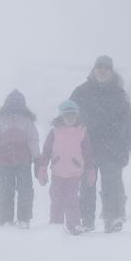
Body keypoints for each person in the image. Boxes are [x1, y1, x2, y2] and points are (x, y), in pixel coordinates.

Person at [71, 55, 131, 233]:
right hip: (86, 147)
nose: (102, 71)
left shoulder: (119, 94)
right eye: (99, 67)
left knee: (112, 183)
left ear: (111, 71)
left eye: (106, 68)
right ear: (94, 69)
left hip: (111, 148)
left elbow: (127, 124)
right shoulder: (81, 92)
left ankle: (113, 218)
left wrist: (124, 147)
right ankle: (86, 219)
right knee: (86, 184)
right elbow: (69, 116)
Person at [36, 100, 95, 235]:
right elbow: (46, 152)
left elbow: (88, 154)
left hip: (74, 174)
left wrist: (90, 171)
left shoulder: (82, 132)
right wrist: (42, 169)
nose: (70, 118)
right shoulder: (55, 132)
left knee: (72, 199)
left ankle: (74, 225)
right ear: (61, 116)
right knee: (56, 199)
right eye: (67, 115)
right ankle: (55, 225)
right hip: (57, 172)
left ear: (77, 116)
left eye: (72, 115)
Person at [0, 90, 40, 228]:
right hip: (5, 162)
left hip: (24, 161)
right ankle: (5, 219)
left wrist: (37, 159)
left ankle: (24, 218)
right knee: (6, 191)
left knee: (25, 190)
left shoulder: (27, 121)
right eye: (11, 106)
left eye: (18, 107)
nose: (14, 110)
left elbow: (33, 140)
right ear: (6, 106)